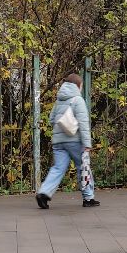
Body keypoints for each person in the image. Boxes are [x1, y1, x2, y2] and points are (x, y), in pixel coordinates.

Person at [37, 73, 98, 209]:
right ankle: (88, 198)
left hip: (58, 142)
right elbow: (83, 123)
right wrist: (87, 144)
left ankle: (44, 193)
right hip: (74, 141)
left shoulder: (59, 100)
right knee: (83, 168)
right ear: (78, 86)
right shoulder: (78, 100)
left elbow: (52, 119)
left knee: (58, 168)